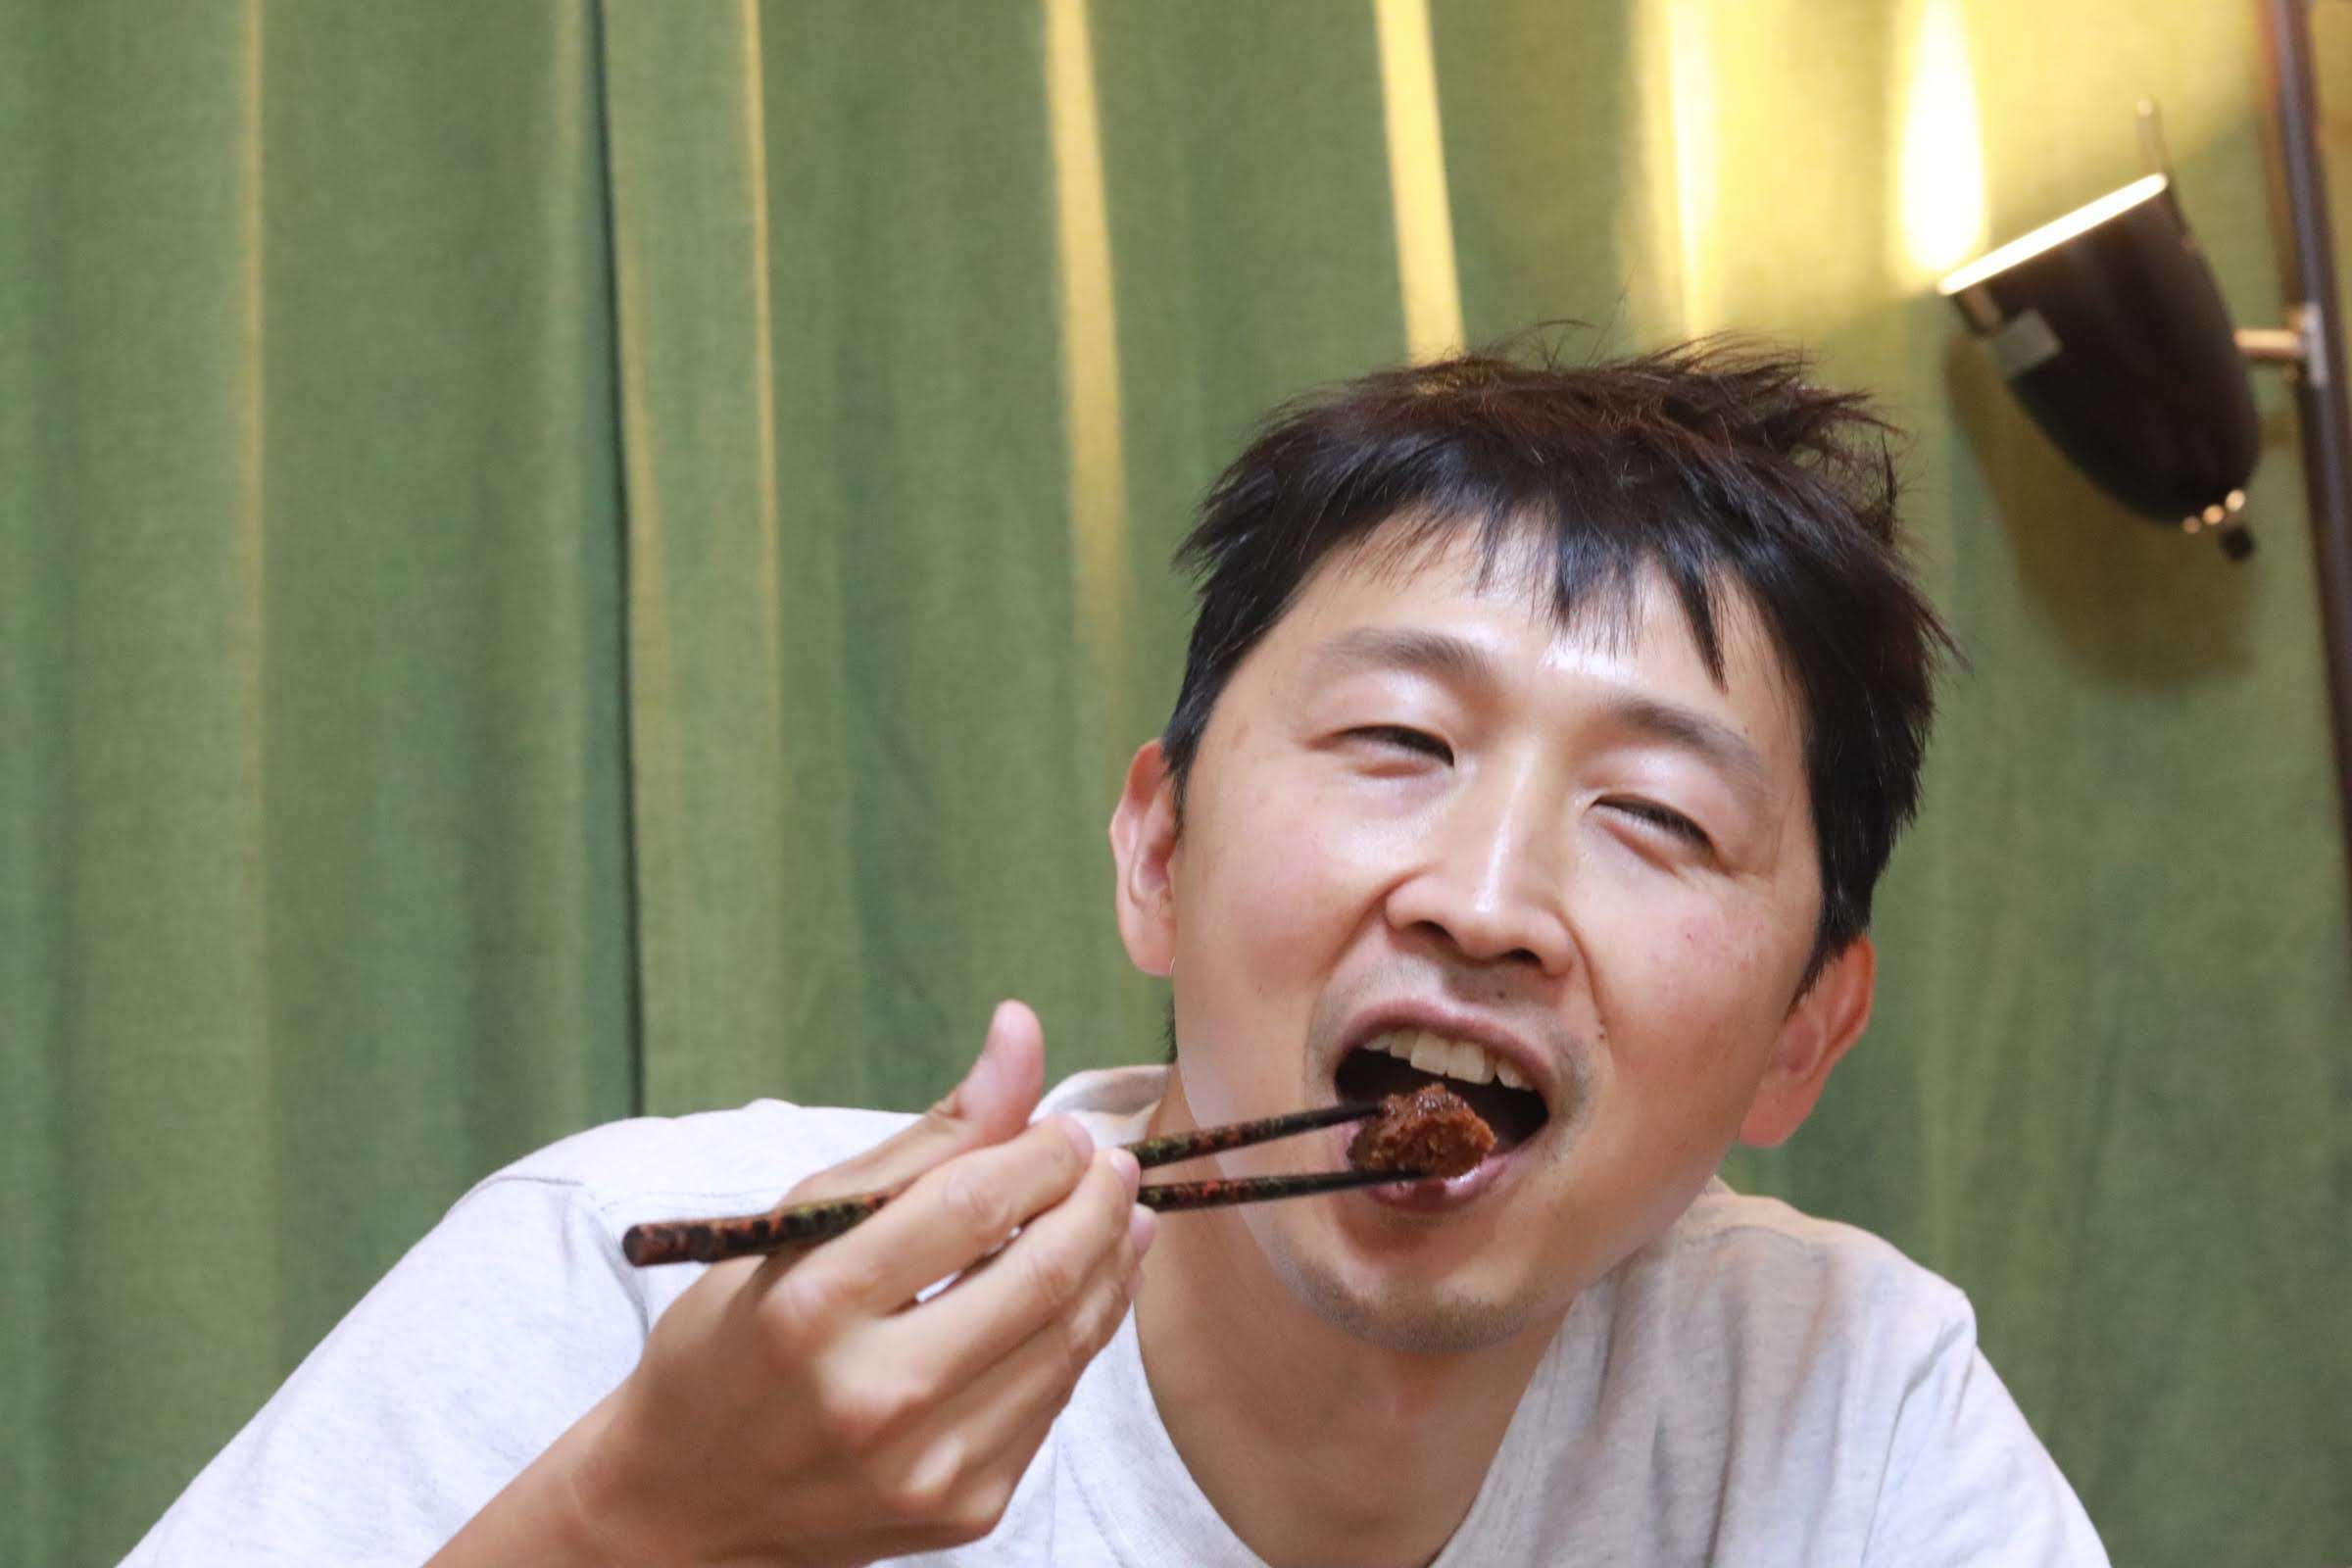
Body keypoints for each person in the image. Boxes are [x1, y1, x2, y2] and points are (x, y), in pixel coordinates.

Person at [124, 340, 2111, 1566]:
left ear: (1804, 1034)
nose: (1486, 896)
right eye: (1398, 740)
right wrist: (645, 1516)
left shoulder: (1842, 1411)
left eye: (1657, 817)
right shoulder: (627, 1307)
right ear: (1156, 848)